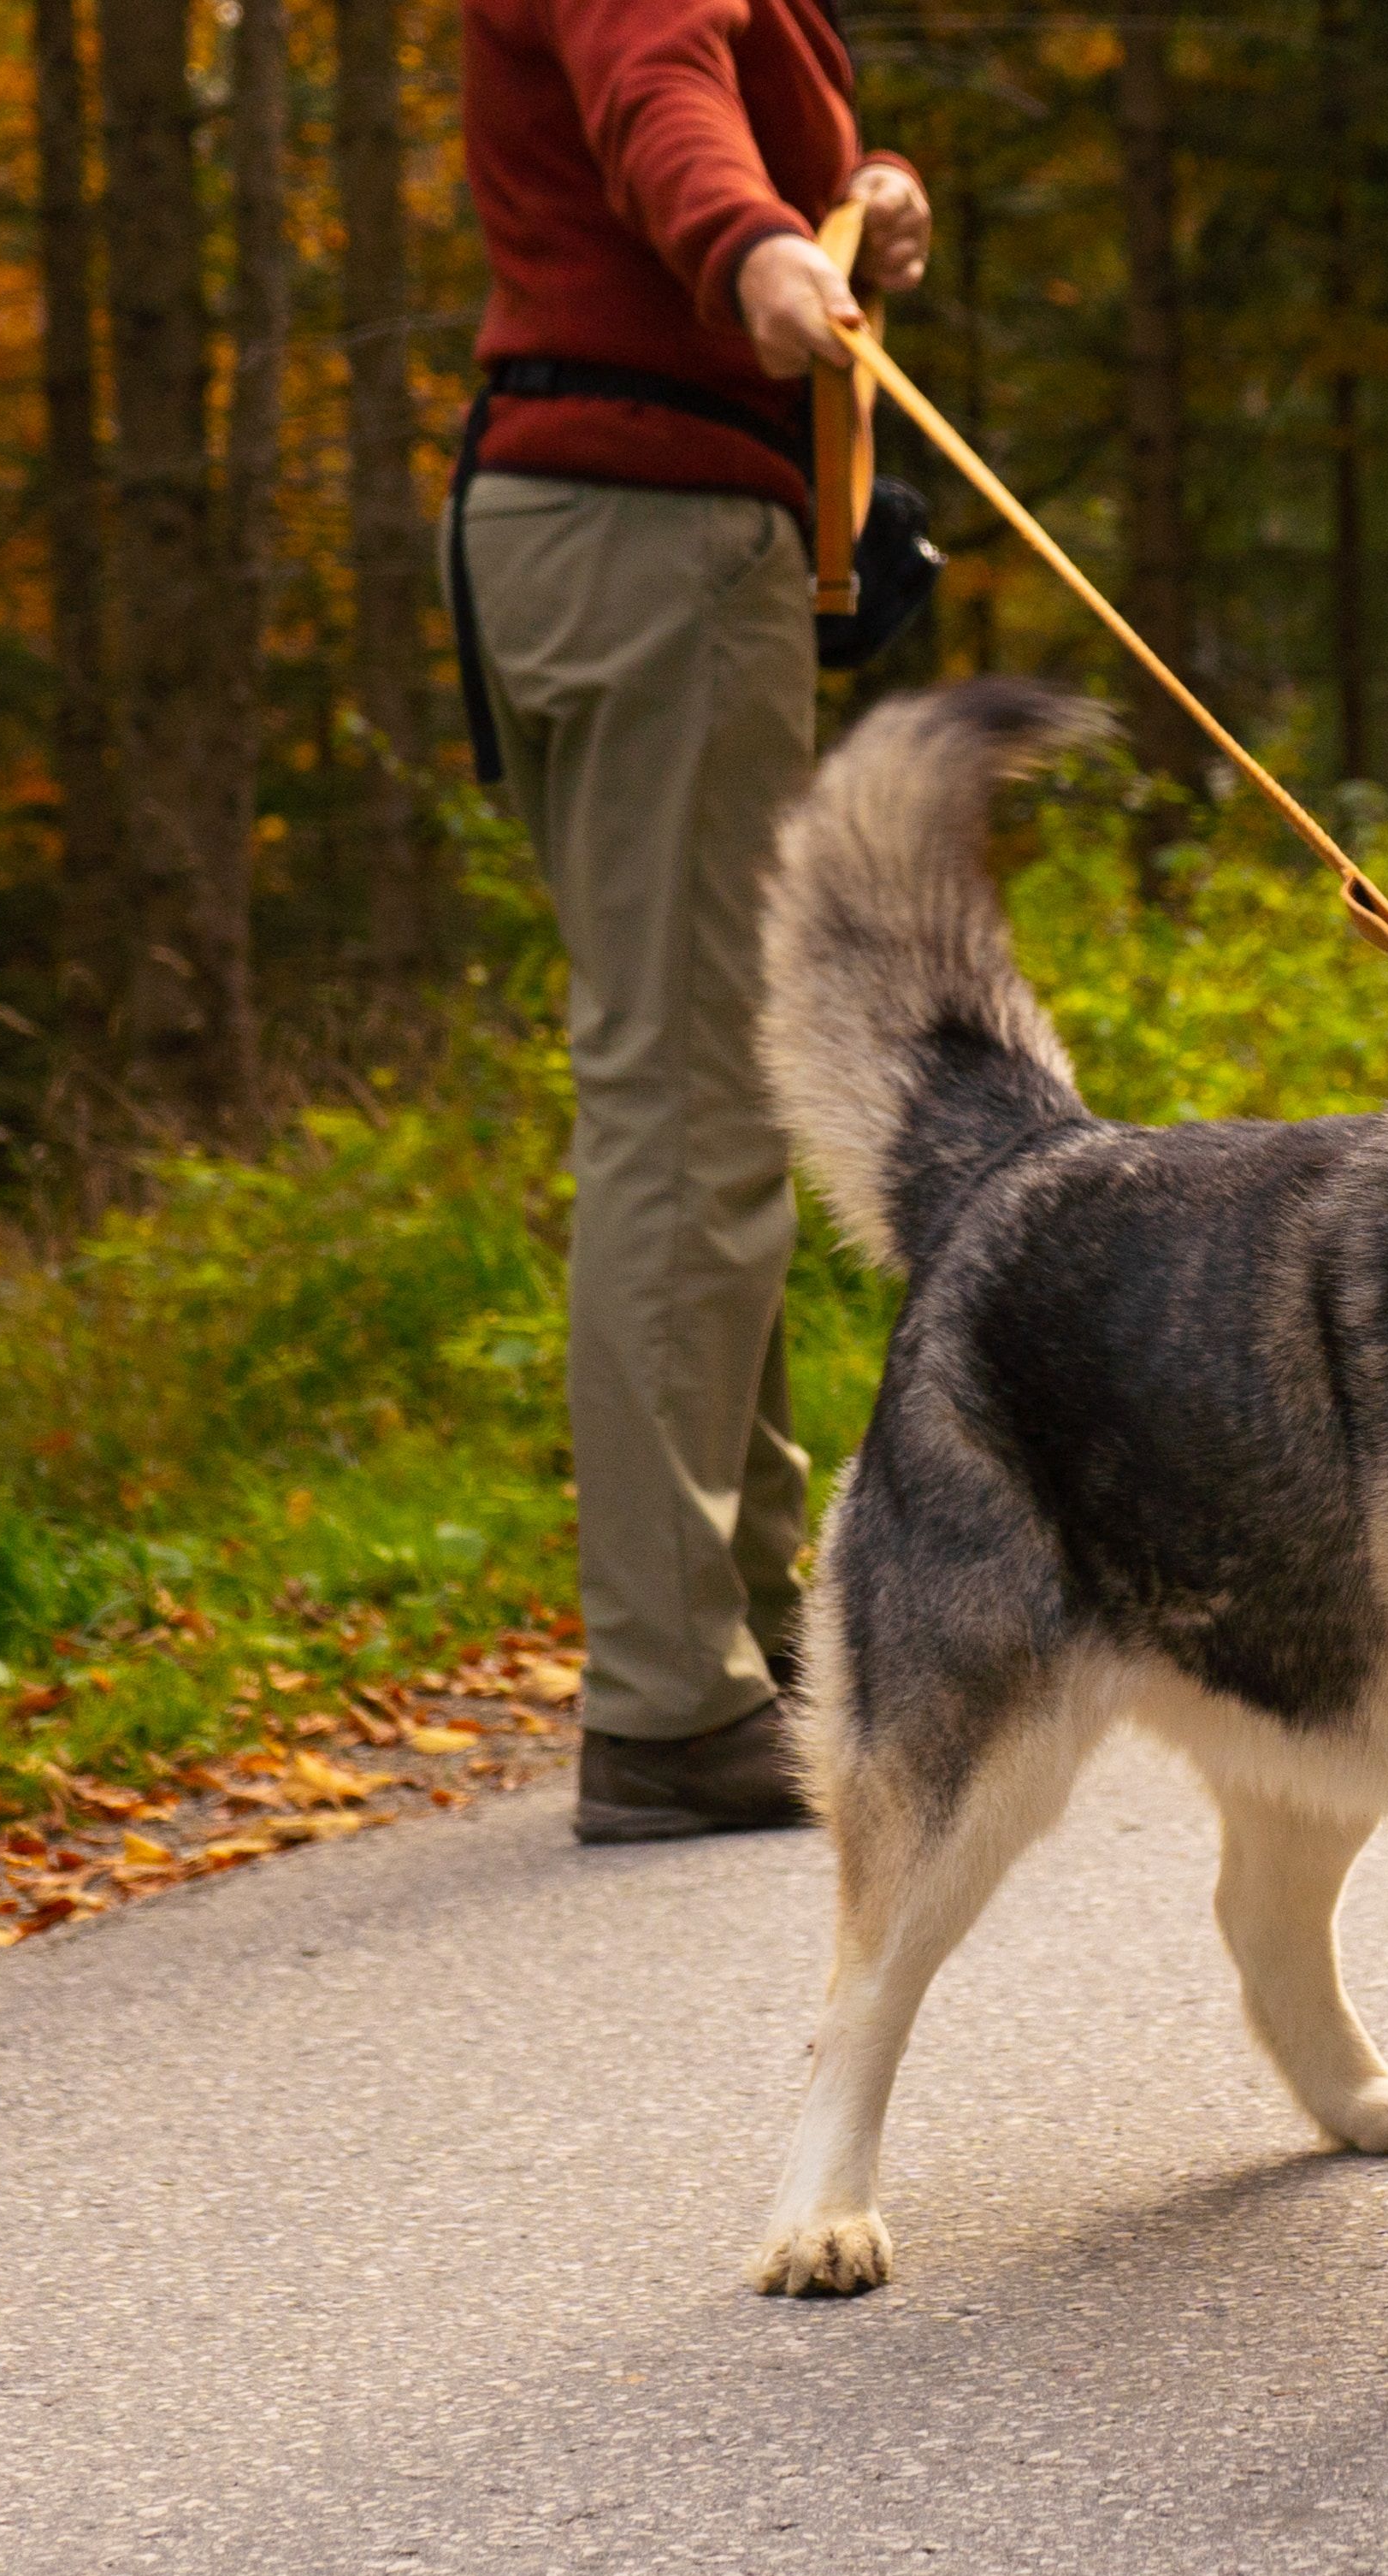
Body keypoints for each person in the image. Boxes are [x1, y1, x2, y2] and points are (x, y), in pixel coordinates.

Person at [448, 0, 927, 1841]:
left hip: (613, 525)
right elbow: (654, 93)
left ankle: (738, 1631)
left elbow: (693, 105)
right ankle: (671, 1699)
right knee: (692, 1102)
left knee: (695, 1078)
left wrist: (856, 199)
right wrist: (747, 252)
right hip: (650, 537)